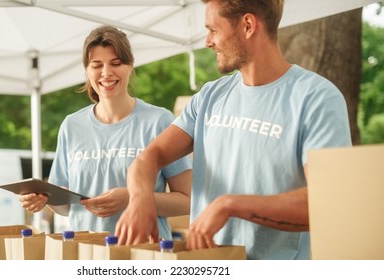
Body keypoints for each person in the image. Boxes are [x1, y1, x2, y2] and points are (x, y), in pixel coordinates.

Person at [115, 0, 352, 260]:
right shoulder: (209, 97)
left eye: (213, 30)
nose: (207, 41)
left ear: (248, 25)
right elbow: (149, 157)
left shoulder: (317, 98)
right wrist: (140, 198)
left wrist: (230, 205)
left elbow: (328, 200)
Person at [18, 25, 192, 240]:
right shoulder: (72, 125)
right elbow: (66, 206)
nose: (106, 73)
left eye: (116, 63)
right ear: (87, 70)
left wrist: (133, 198)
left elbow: (188, 200)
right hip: (86, 251)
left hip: (145, 251)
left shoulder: (159, 121)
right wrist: (44, 198)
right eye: (97, 65)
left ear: (130, 66)